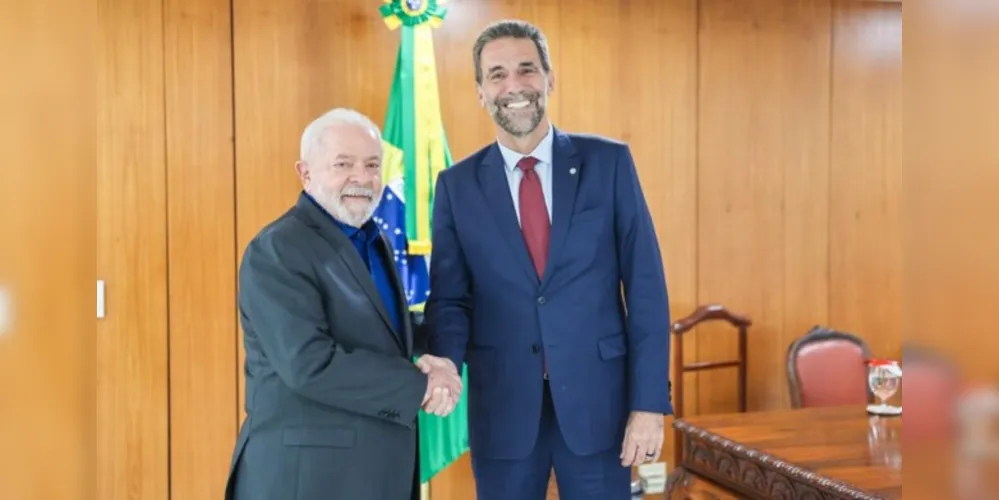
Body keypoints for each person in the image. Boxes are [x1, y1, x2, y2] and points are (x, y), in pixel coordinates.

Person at [424, 20, 673, 499]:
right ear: (480, 91)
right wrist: (446, 366)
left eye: (526, 70)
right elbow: (451, 299)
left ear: (549, 79)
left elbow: (645, 289)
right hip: (503, 407)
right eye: (496, 74)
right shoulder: (455, 187)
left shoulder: (609, 163)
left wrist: (648, 406)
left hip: (600, 409)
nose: (513, 86)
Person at [224, 108, 462, 500]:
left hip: (372, 473)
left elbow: (382, 330)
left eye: (372, 165)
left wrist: (450, 340)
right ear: (305, 173)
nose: (363, 178)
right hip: (307, 480)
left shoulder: (372, 239)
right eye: (343, 164)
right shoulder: (279, 249)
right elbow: (309, 363)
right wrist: (421, 386)